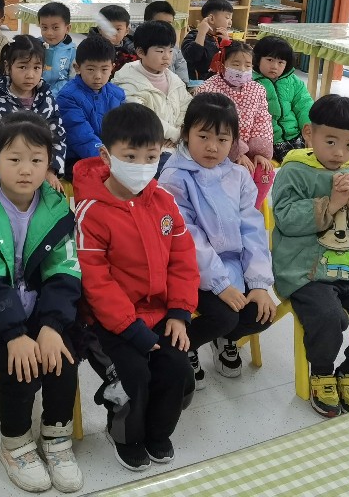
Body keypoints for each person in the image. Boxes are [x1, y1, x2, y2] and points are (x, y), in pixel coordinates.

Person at [0, 115, 84, 493]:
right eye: (14, 159)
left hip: (40, 308)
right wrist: (14, 334)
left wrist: (51, 326)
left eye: (36, 160)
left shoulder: (55, 207)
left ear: (48, 164)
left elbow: (64, 271)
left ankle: (56, 435)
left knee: (62, 357)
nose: (26, 169)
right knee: (21, 364)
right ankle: (14, 442)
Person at [73, 103, 198, 472]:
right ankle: (125, 436)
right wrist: (130, 328)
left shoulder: (164, 202)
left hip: (160, 313)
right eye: (130, 156)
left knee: (177, 370)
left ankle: (158, 432)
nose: (142, 165)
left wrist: (179, 312)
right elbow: (95, 280)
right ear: (106, 156)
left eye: (151, 156)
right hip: (109, 324)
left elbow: (183, 260)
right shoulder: (91, 212)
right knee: (133, 378)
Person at [271, 94, 349, 418]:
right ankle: (322, 373)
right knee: (329, 317)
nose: (340, 153)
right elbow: (285, 218)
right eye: (330, 141)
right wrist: (330, 204)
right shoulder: (294, 171)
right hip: (308, 271)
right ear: (309, 133)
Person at [160, 93, 276, 387]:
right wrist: (221, 284)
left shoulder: (238, 175)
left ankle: (224, 339)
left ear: (234, 141)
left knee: (262, 313)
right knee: (224, 317)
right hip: (188, 271)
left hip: (232, 267)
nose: (212, 147)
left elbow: (252, 230)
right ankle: (184, 345)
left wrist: (259, 283)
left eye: (223, 139)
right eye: (203, 137)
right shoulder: (174, 177)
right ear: (186, 134)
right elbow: (187, 240)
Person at [0, 34, 67, 189]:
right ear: (8, 67)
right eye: (22, 67)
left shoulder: (47, 98)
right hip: (3, 172)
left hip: (40, 169)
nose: (30, 75)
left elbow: (57, 136)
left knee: (55, 196)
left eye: (36, 68)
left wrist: (50, 169)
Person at [198, 41, 276, 209]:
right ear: (222, 65)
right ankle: (230, 212)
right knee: (241, 173)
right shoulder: (209, 90)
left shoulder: (257, 90)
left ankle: (251, 211)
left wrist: (260, 152)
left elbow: (262, 120)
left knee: (265, 172)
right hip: (219, 148)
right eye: (235, 64)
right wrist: (236, 152)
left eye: (247, 65)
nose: (242, 69)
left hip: (250, 149)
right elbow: (213, 126)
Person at [113, 20, 193, 144]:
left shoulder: (174, 79)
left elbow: (186, 107)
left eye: (170, 51)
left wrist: (180, 132)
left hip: (177, 143)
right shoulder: (128, 82)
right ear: (140, 52)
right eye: (160, 51)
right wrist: (173, 134)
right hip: (144, 145)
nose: (167, 56)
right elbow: (142, 118)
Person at [57, 35, 126, 177]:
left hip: (111, 156)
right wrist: (110, 161)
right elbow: (81, 136)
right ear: (77, 68)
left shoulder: (117, 94)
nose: (98, 76)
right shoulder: (68, 96)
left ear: (112, 68)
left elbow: (126, 130)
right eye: (91, 69)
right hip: (77, 158)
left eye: (104, 69)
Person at [252, 35, 312, 161]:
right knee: (295, 163)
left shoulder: (294, 82)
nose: (274, 66)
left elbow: (305, 106)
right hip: (270, 139)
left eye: (280, 62)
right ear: (257, 59)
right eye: (269, 60)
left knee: (317, 158)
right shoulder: (250, 82)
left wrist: (310, 133)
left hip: (296, 135)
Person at [182, 0, 233, 82]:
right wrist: (201, 33)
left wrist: (227, 42)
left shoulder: (222, 37)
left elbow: (232, 60)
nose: (230, 22)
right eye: (227, 18)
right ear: (211, 18)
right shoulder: (194, 35)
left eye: (231, 19)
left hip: (220, 82)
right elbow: (193, 57)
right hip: (199, 83)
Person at [143, 1, 189, 83]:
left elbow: (181, 67)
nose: (165, 28)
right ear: (147, 23)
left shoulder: (173, 47)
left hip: (174, 86)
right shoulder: (141, 46)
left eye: (169, 23)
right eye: (160, 23)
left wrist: (184, 85)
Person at [38, 2, 77, 98]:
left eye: (55, 28)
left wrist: (54, 95)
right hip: (35, 92)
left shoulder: (72, 52)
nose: (49, 33)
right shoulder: (35, 46)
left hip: (61, 96)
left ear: (67, 28)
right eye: (44, 28)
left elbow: (73, 79)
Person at [90, 5, 138, 70]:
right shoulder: (91, 48)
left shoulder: (133, 50)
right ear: (100, 30)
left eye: (118, 29)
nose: (113, 33)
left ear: (126, 31)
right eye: (108, 29)